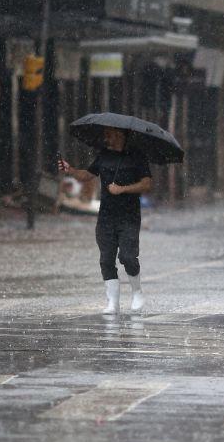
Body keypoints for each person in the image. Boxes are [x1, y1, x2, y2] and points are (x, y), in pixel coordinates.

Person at [58, 127, 153, 314]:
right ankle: (112, 302)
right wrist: (70, 169)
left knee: (128, 257)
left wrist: (123, 189)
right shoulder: (104, 155)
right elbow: (87, 175)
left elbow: (147, 184)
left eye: (109, 134)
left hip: (129, 216)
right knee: (106, 259)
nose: (106, 138)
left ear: (120, 135)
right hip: (106, 217)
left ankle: (137, 292)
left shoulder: (137, 156)